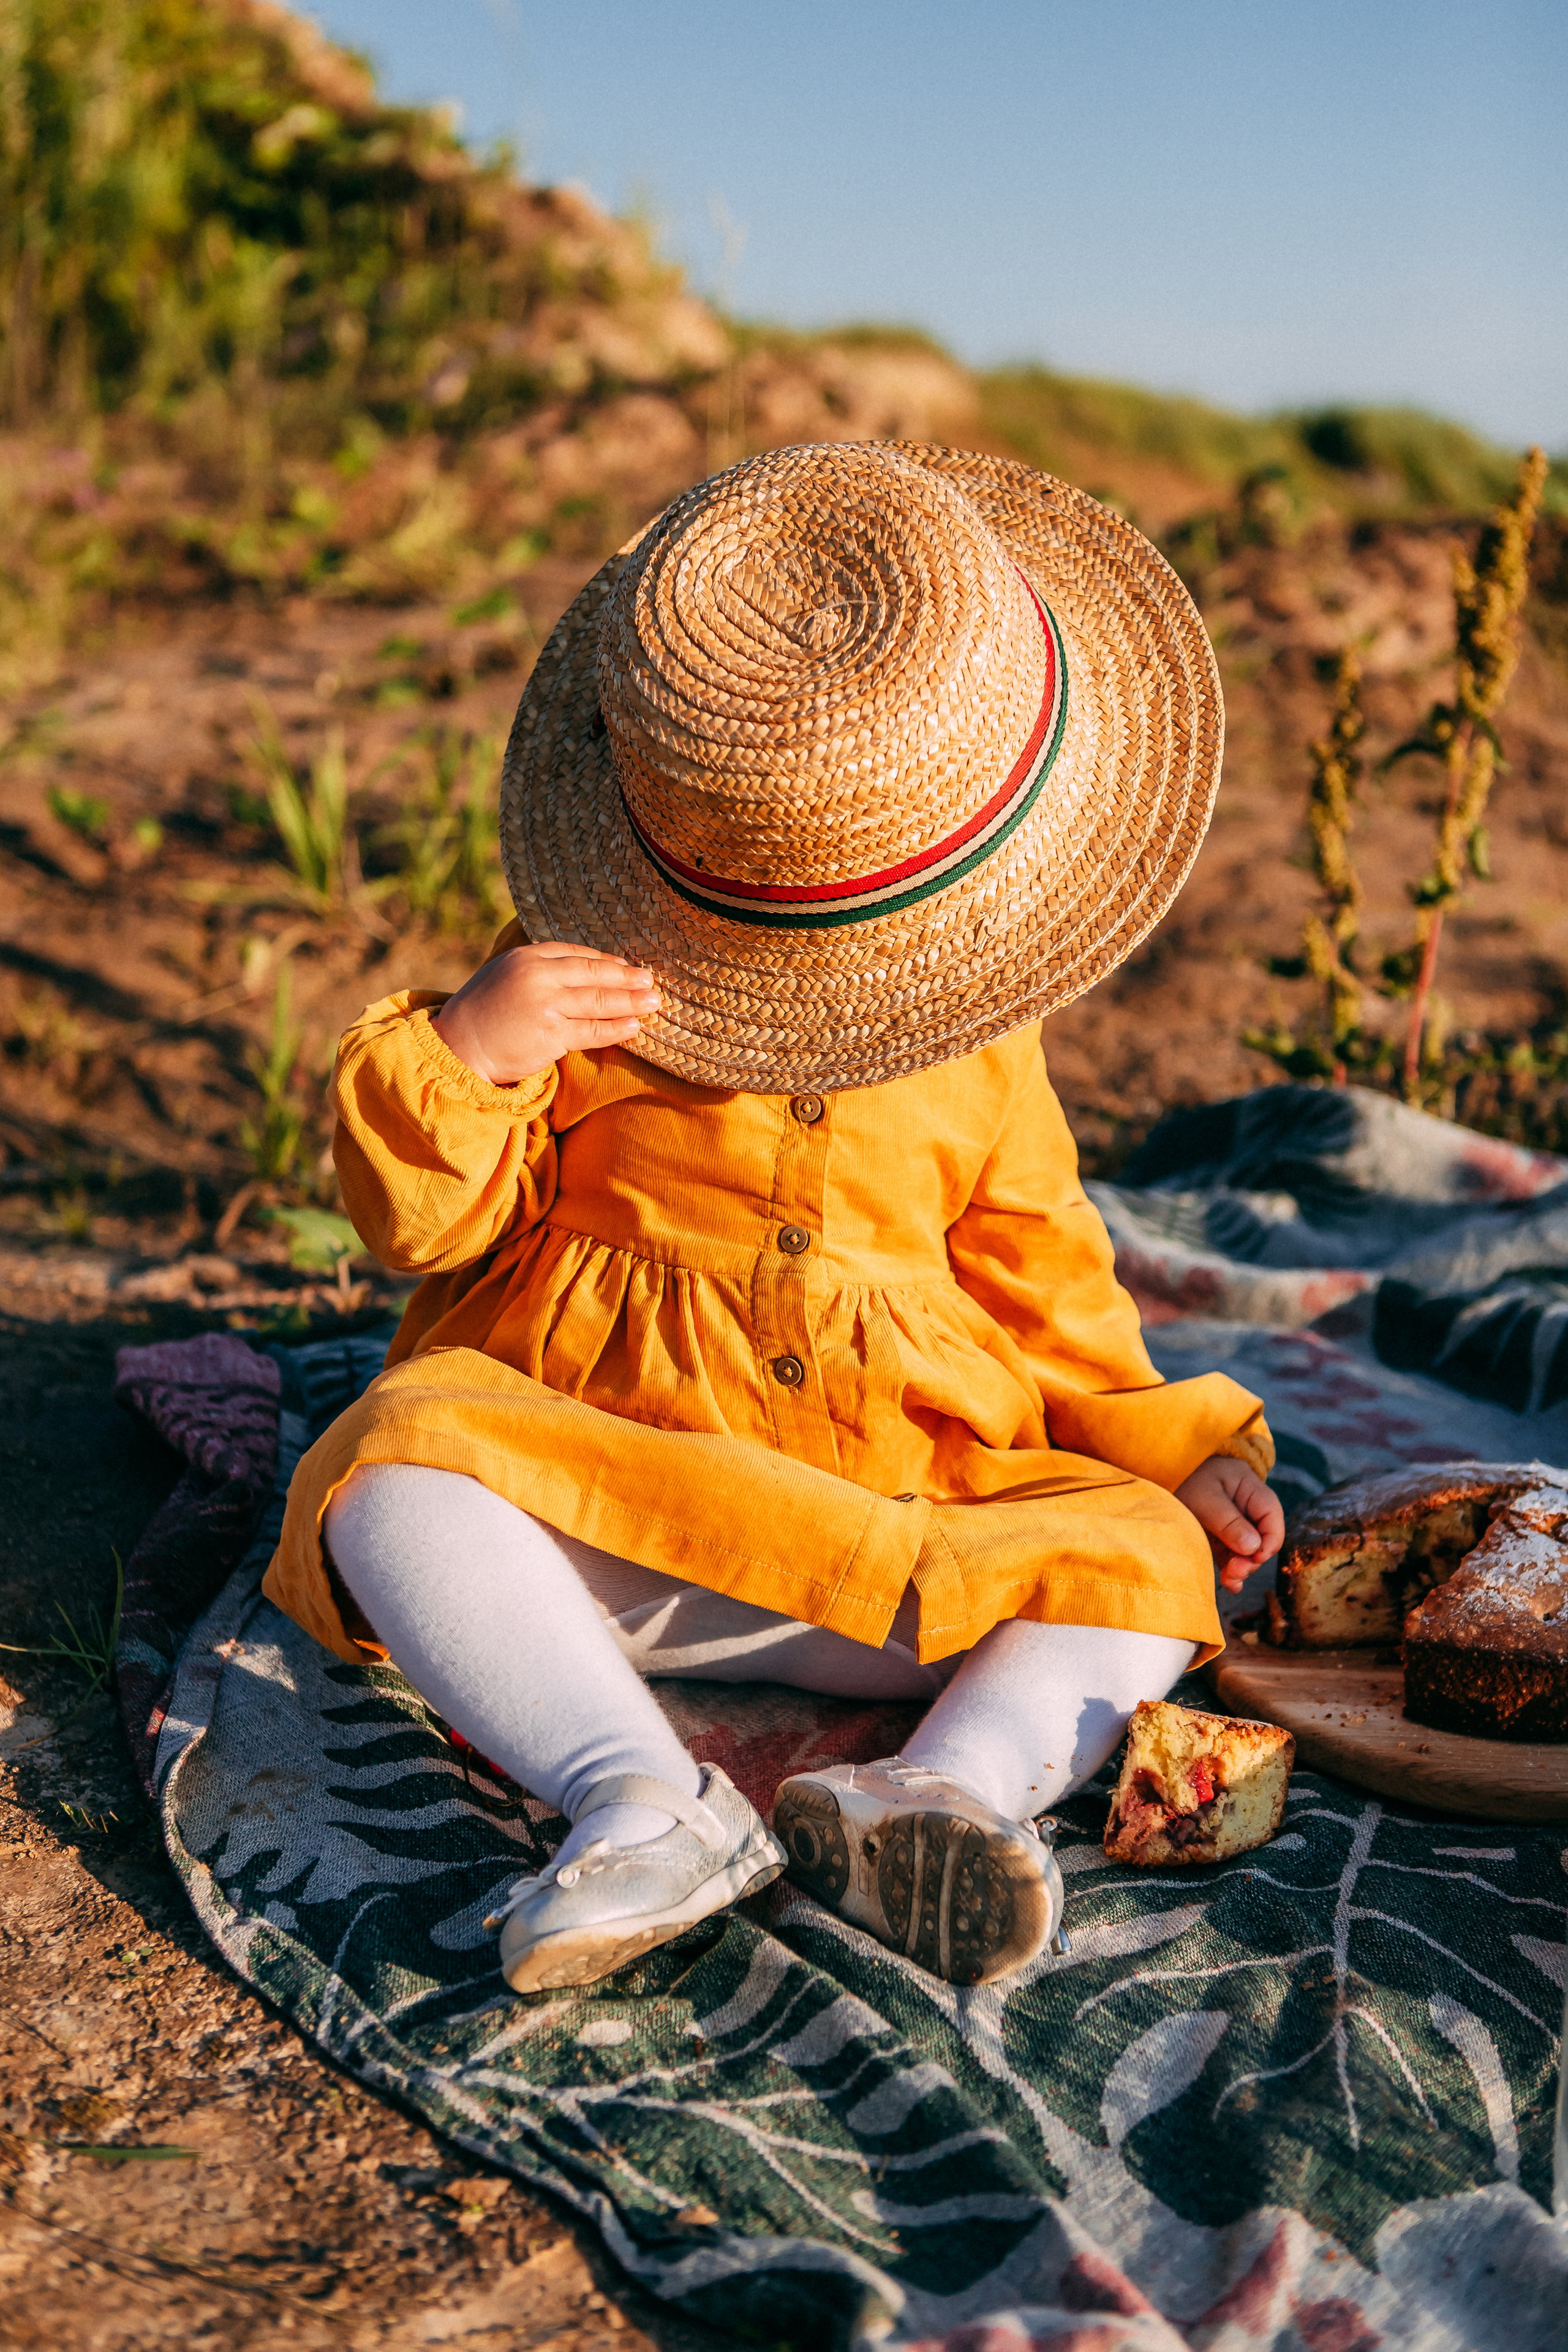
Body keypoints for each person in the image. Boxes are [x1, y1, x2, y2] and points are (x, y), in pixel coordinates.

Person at [264, 440, 1283, 1996]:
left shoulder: (984, 1046)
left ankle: (936, 1797)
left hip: (894, 1549)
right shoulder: (581, 982)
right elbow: (428, 1233)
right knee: (389, 1465)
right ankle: (633, 1796)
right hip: (609, 1505)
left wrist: (1172, 1449)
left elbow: (1044, 1282)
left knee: (1142, 1555)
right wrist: (471, 1051)